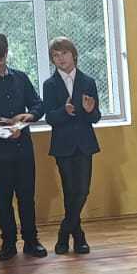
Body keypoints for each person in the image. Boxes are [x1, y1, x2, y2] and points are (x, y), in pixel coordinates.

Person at [0, 32, 46, 260]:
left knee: (27, 196)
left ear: (6, 53)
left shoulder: (21, 78)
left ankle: (31, 241)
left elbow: (38, 104)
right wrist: (6, 131)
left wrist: (29, 116)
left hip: (23, 148)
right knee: (3, 198)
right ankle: (8, 242)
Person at [41, 36, 102, 255]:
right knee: (70, 192)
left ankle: (64, 231)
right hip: (63, 146)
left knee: (82, 190)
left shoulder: (88, 82)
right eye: (55, 56)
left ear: (74, 55)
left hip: (85, 144)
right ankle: (78, 237)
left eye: (64, 53)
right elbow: (50, 118)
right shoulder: (49, 85)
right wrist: (64, 112)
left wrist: (90, 110)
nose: (61, 59)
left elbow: (95, 117)